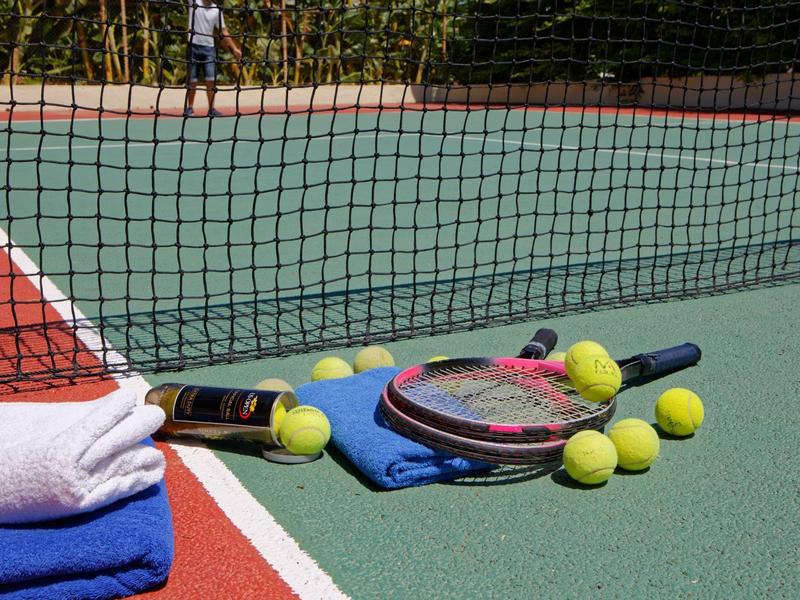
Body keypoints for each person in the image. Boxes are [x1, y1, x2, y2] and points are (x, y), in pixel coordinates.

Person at [185, 0, 242, 117]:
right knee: (192, 81)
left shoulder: (217, 10)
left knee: (211, 80)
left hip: (209, 49)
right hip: (193, 46)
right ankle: (189, 108)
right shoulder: (194, 2)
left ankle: (211, 109)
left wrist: (234, 49)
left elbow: (223, 30)